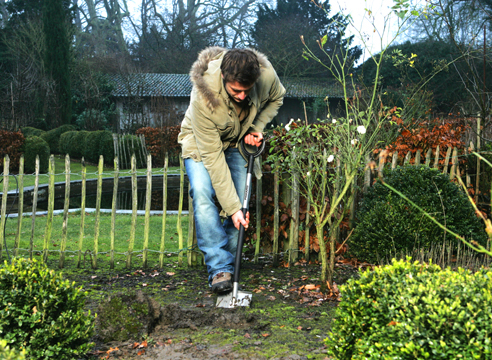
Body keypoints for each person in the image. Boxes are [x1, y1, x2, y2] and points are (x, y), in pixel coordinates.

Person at [178, 47, 285, 294]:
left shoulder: (265, 75)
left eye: (247, 90)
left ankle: (229, 260)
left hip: (237, 140)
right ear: (225, 78)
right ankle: (219, 268)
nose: (242, 95)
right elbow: (213, 158)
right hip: (201, 143)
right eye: (236, 90)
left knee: (241, 203)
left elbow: (278, 96)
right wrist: (232, 208)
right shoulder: (203, 97)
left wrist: (255, 128)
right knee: (203, 192)